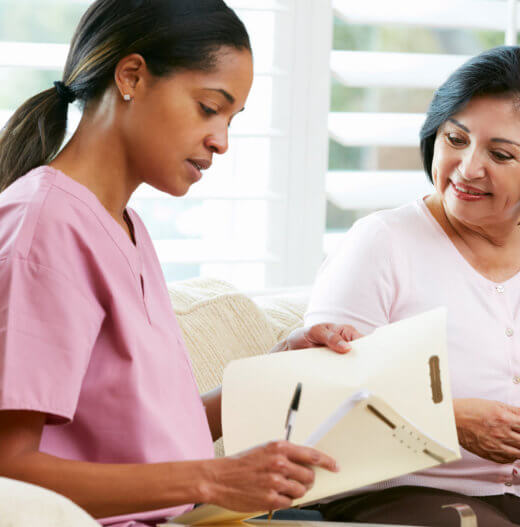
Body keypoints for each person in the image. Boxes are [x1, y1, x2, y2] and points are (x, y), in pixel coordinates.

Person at [0, 1, 359, 525]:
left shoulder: (125, 225)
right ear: (132, 77)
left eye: (232, 119)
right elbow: (11, 472)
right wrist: (212, 477)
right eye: (208, 107)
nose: (222, 141)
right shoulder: (45, 227)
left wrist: (279, 369)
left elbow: (148, 430)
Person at [299, 46, 520, 527]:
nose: (467, 168)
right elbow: (317, 399)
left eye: (500, 154)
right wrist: (449, 420)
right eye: (456, 139)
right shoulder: (381, 242)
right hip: (397, 494)